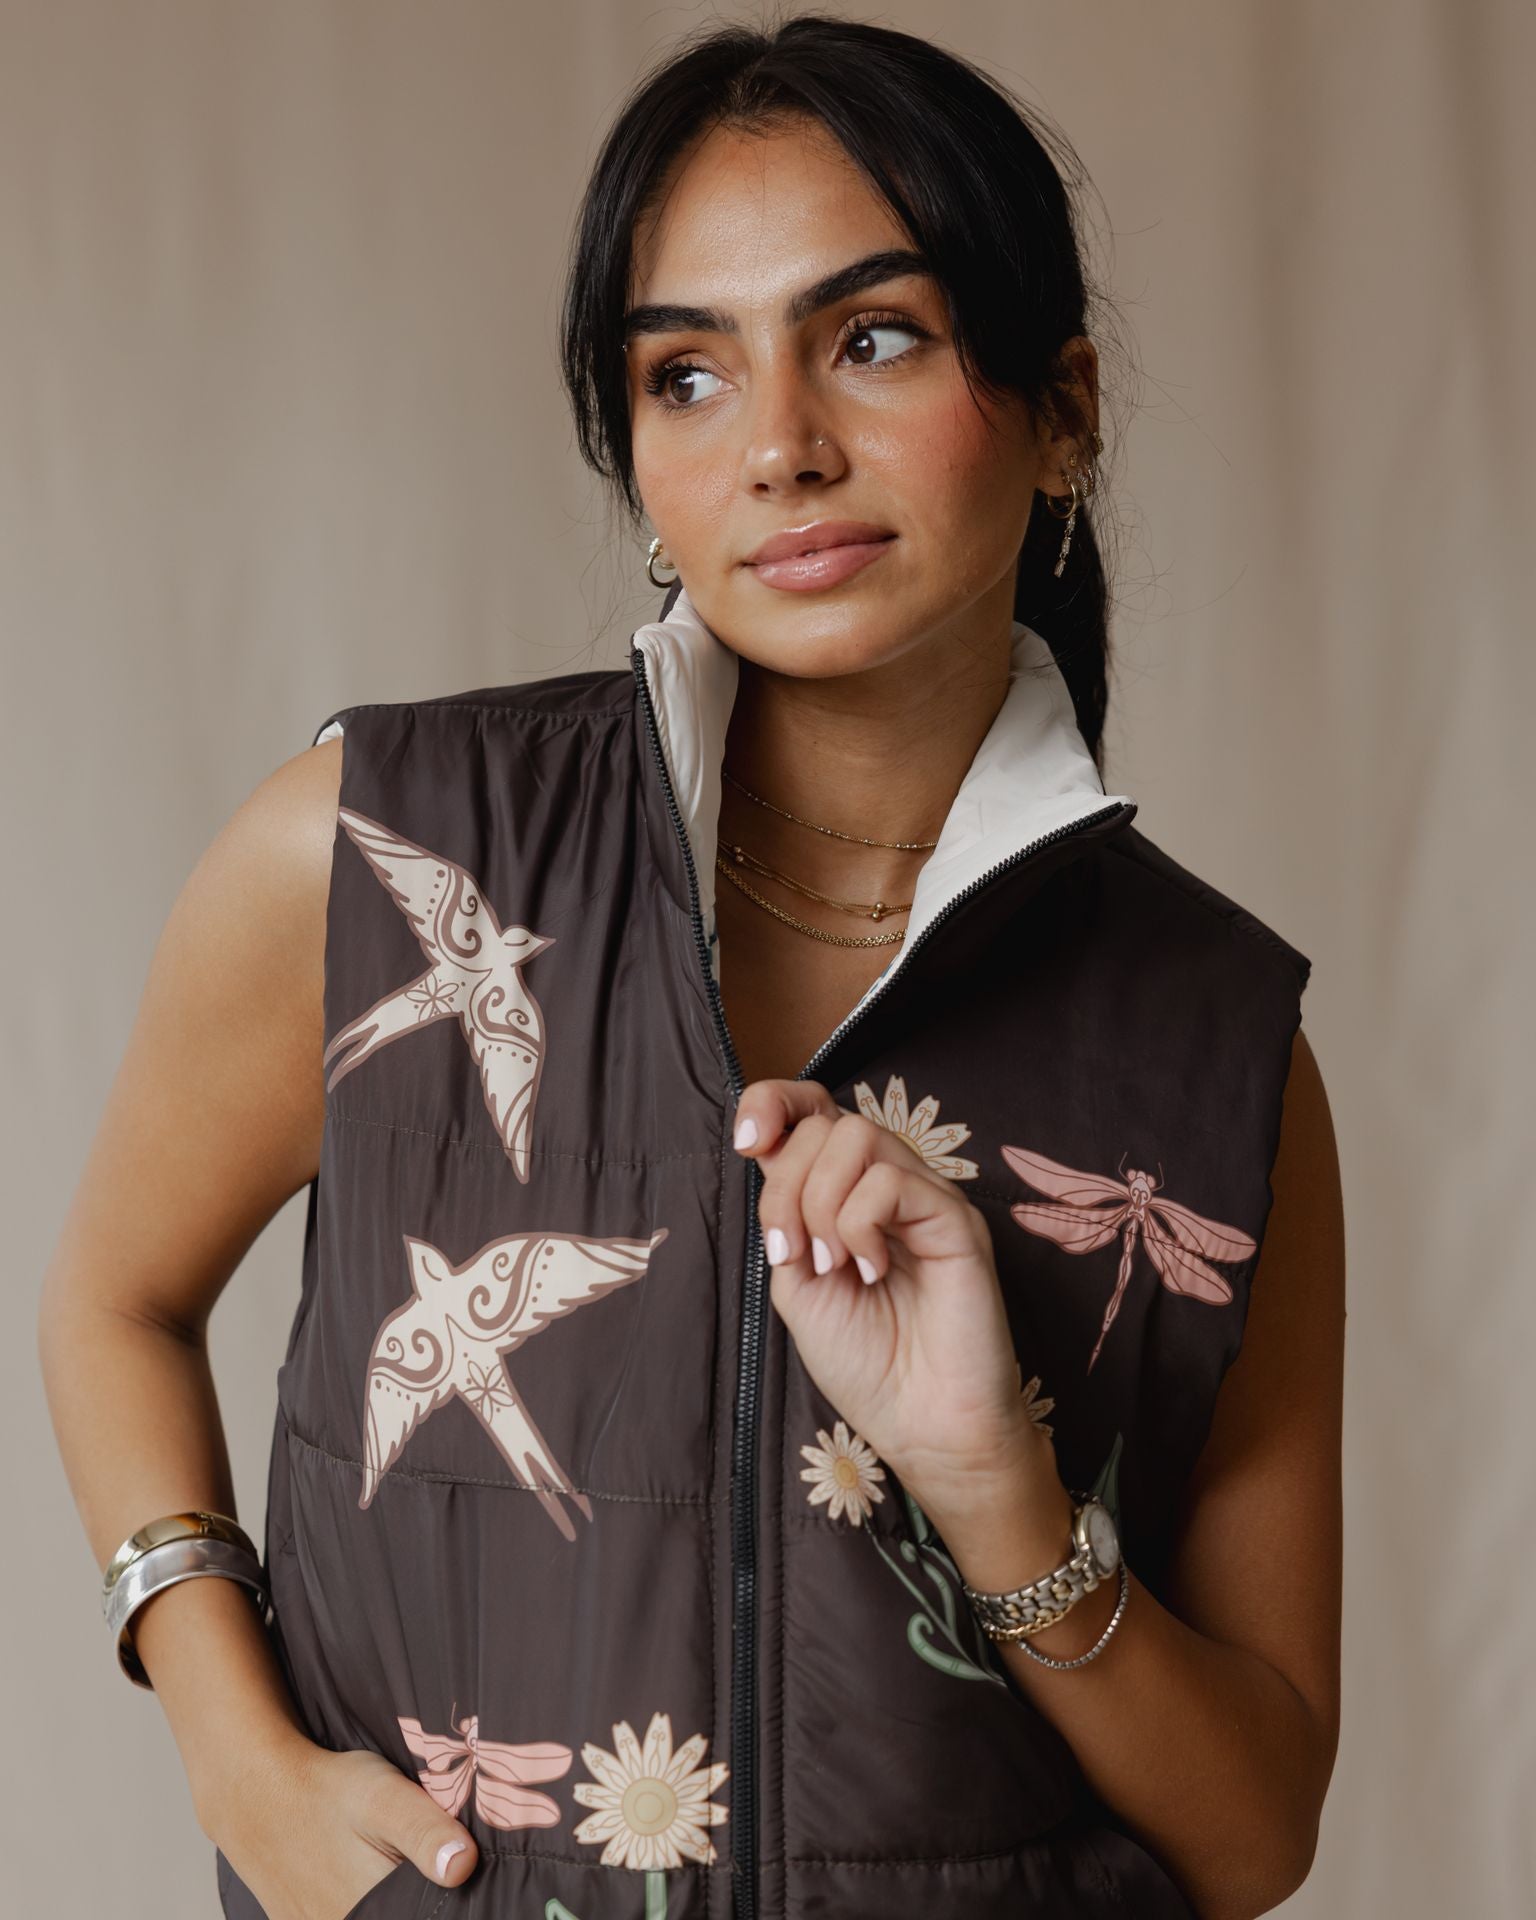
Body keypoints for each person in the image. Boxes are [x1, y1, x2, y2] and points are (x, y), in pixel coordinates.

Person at [39, 12, 1343, 1919]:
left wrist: (1002, 1498)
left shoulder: (1211, 1051)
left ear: (1063, 409)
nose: (782, 447)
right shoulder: (383, 856)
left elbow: (1253, 1834)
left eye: (874, 338)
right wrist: (240, 1766)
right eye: (687, 374)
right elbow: (113, 1302)